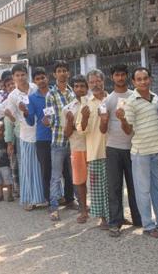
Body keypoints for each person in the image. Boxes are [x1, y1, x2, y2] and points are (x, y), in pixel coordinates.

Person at [118, 67, 158, 238]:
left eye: (145, 78)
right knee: (143, 190)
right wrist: (122, 119)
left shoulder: (156, 98)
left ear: (150, 79)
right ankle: (148, 225)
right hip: (141, 152)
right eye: (138, 79)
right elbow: (128, 131)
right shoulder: (131, 102)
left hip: (156, 150)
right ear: (133, 82)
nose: (142, 82)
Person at [0, 64, 45, 211]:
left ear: (26, 75)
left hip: (42, 132)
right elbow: (13, 118)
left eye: (22, 74)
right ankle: (30, 198)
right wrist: (11, 115)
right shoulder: (13, 96)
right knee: (28, 168)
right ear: (14, 78)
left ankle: (45, 197)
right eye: (17, 75)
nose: (20, 77)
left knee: (43, 166)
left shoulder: (35, 88)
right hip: (26, 135)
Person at [104, 64, 142, 234]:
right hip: (113, 148)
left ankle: (139, 218)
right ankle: (115, 221)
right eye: (116, 75)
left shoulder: (135, 97)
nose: (120, 78)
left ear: (127, 76)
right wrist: (104, 119)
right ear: (112, 77)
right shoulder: (108, 100)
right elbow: (102, 128)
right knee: (114, 186)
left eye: (122, 75)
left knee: (135, 185)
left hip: (133, 147)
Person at [76, 69, 111, 230]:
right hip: (95, 150)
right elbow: (81, 130)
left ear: (103, 81)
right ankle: (103, 218)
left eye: (98, 81)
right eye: (92, 82)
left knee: (113, 185)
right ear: (88, 85)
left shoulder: (111, 99)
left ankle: (115, 215)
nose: (95, 84)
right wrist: (83, 117)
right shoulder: (86, 103)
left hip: (113, 149)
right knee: (98, 188)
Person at [45, 61, 77, 221]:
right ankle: (54, 207)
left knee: (75, 174)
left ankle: (75, 201)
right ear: (54, 74)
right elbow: (50, 120)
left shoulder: (73, 93)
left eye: (65, 70)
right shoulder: (50, 95)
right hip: (58, 140)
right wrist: (54, 122)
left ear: (68, 73)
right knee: (56, 176)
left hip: (74, 141)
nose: (62, 73)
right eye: (59, 71)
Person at [25, 68, 54, 207]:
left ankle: (67, 197)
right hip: (43, 138)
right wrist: (25, 113)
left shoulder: (55, 92)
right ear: (34, 82)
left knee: (65, 170)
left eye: (43, 77)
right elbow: (30, 121)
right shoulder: (32, 98)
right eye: (38, 79)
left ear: (47, 78)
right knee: (46, 170)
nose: (41, 81)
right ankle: (49, 199)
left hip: (59, 136)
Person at [63, 75, 90, 224]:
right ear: (73, 89)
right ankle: (83, 209)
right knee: (80, 180)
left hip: (93, 146)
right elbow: (66, 134)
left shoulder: (94, 104)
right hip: (77, 147)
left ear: (87, 88)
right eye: (77, 86)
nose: (79, 89)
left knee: (96, 181)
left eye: (82, 86)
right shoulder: (67, 109)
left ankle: (99, 209)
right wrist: (70, 122)